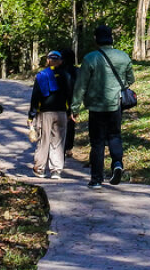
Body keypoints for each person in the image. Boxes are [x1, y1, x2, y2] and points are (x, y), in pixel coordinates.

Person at [71, 24, 134, 189]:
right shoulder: (123, 57)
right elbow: (130, 79)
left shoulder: (90, 58)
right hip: (115, 105)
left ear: (96, 39)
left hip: (96, 107)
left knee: (97, 142)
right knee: (114, 135)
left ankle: (96, 179)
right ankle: (117, 163)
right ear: (111, 37)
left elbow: (81, 85)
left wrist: (75, 107)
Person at [28, 50, 72, 179]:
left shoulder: (41, 75)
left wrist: (31, 115)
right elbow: (70, 95)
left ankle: (40, 169)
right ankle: (56, 170)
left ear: (48, 60)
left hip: (45, 113)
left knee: (43, 141)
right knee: (58, 142)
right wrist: (70, 112)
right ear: (60, 61)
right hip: (61, 113)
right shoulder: (66, 75)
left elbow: (35, 97)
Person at [60, 47, 79, 156]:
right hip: (72, 101)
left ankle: (60, 146)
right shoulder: (77, 71)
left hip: (59, 101)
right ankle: (68, 148)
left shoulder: (57, 71)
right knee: (70, 125)